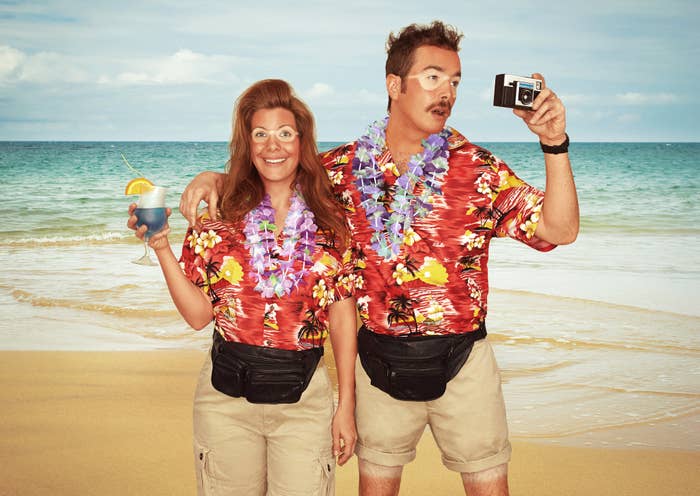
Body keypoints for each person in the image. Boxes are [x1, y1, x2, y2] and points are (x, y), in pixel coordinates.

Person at [179, 21, 579, 496]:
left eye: (454, 81)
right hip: (377, 363)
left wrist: (554, 143)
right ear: (394, 85)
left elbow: (560, 229)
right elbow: (273, 173)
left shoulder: (478, 168)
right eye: (432, 77)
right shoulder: (340, 171)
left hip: (465, 361)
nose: (446, 92)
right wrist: (217, 179)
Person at [128, 79, 358, 496]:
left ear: (302, 142)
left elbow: (342, 317)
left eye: (285, 133)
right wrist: (160, 246)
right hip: (225, 403)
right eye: (261, 134)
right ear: (247, 145)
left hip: (306, 402)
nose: (274, 146)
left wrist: (347, 406)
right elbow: (199, 316)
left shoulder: (331, 222)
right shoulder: (217, 218)